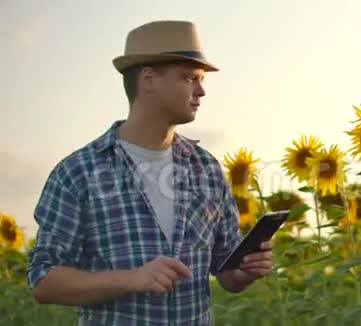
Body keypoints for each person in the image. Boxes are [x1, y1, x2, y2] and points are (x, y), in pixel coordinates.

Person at [26, 20, 273, 325]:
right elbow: (43, 281)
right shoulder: (77, 173)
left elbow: (226, 274)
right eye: (189, 78)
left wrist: (245, 271)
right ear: (149, 79)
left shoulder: (205, 168)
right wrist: (131, 279)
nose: (201, 90)